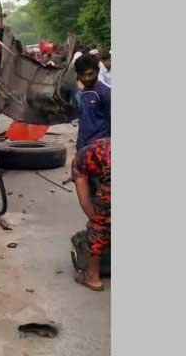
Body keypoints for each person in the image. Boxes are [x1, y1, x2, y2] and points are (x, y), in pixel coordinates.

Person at [72, 137, 111, 291]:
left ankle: (92, 277)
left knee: (100, 227)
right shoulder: (98, 152)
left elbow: (84, 201)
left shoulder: (79, 162)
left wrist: (95, 220)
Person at [74, 53, 111, 150]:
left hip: (101, 150)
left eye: (90, 74)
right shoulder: (80, 93)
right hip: (83, 147)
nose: (87, 78)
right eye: (82, 75)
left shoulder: (106, 93)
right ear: (77, 74)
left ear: (98, 71)